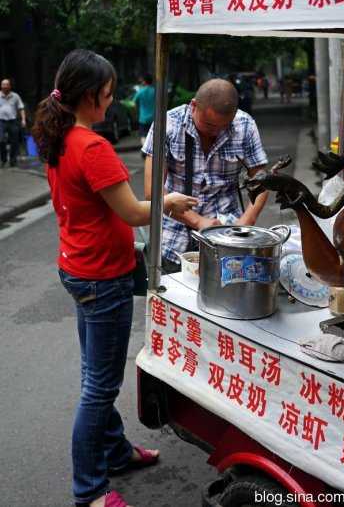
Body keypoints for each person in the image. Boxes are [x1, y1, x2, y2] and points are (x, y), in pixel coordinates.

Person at [32, 49, 197, 507]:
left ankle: (116, 452)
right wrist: (171, 202)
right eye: (108, 93)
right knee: (100, 386)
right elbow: (132, 211)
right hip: (102, 277)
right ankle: (89, 490)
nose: (112, 100)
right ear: (90, 97)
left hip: (78, 267)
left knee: (95, 374)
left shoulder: (59, 136)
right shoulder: (92, 147)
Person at [143, 78, 269, 274]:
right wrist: (198, 221)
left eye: (223, 126)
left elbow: (262, 180)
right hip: (173, 241)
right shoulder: (167, 125)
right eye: (209, 124)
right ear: (194, 106)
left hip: (228, 240)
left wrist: (247, 220)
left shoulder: (244, 125)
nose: (215, 132)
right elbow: (152, 192)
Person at [0, 77, 26, 167]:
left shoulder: (15, 96)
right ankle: (3, 159)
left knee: (14, 141)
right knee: (1, 140)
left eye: (6, 84)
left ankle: (13, 160)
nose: (5, 86)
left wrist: (23, 119)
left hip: (13, 121)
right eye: (3, 84)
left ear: (10, 86)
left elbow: (21, 108)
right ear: (1, 86)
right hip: (1, 122)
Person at [133, 74, 155, 145]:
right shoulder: (155, 91)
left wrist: (136, 111)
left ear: (145, 82)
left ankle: (144, 150)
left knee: (143, 135)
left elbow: (133, 103)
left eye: (142, 81)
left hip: (143, 118)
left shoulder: (140, 91)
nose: (141, 82)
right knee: (152, 135)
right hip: (153, 118)